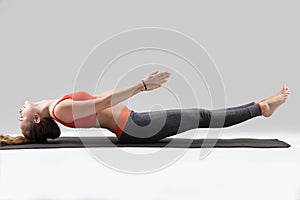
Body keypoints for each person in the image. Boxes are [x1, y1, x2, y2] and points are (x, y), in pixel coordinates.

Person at [0, 71, 291, 145]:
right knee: (202, 116)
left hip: (133, 124)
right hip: (136, 127)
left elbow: (101, 98)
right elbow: (101, 102)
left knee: (202, 115)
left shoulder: (57, 107)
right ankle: (262, 108)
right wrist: (141, 85)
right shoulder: (60, 111)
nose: (19, 112)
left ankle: (263, 105)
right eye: (22, 119)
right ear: (37, 119)